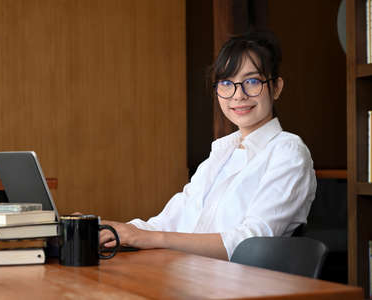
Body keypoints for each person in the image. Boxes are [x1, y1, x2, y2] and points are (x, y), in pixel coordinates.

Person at [100, 31, 316, 261]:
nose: (238, 95)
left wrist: (153, 238)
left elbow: (253, 240)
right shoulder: (222, 153)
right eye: (226, 83)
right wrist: (106, 229)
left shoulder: (288, 151)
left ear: (276, 87)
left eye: (252, 81)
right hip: (193, 278)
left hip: (244, 288)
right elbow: (168, 222)